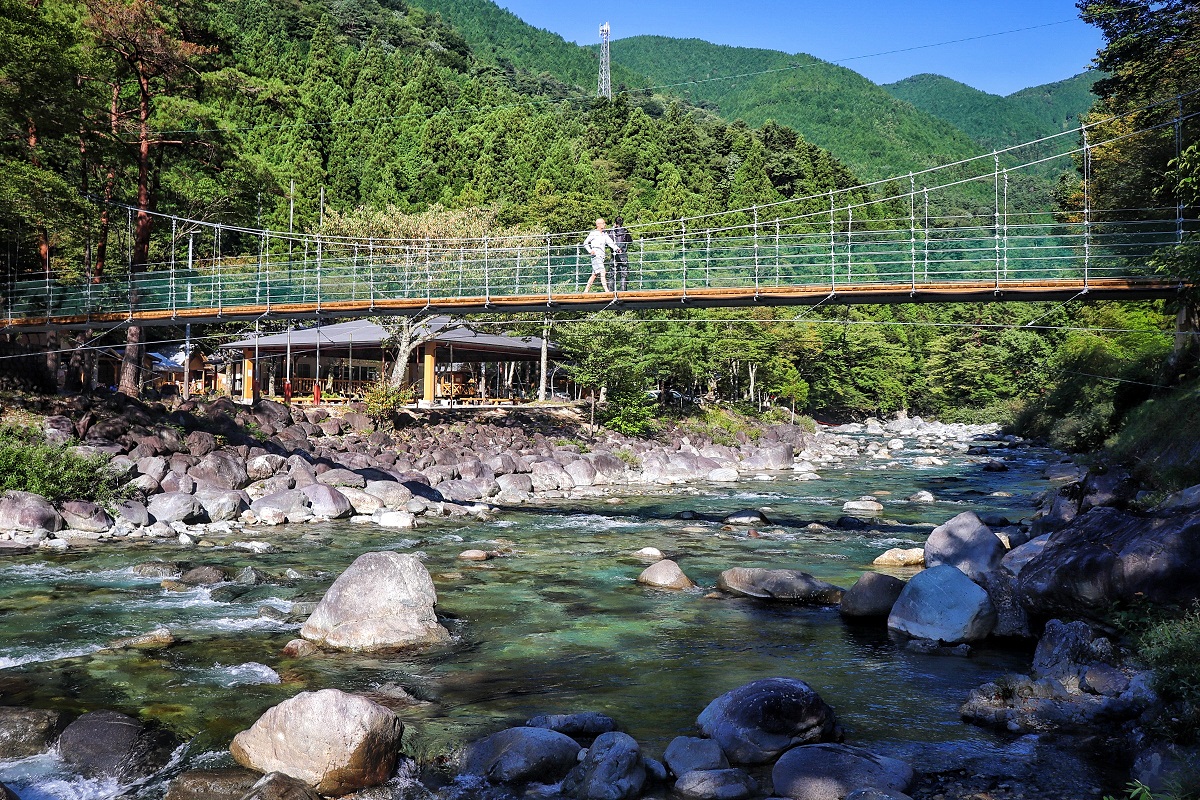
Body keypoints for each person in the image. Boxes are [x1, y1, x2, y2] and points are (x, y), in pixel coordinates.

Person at [582, 218, 617, 293]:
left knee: (595, 274)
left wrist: (617, 248)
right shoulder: (593, 233)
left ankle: (586, 290)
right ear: (598, 224)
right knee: (602, 271)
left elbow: (610, 243)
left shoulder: (604, 234)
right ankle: (606, 290)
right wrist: (590, 251)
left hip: (602, 256)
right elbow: (585, 243)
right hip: (596, 255)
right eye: (603, 223)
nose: (605, 224)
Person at [611, 217, 632, 291]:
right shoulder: (625, 231)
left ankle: (610, 291)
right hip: (623, 254)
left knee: (612, 273)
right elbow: (630, 241)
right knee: (624, 273)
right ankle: (623, 291)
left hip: (613, 254)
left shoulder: (611, 232)